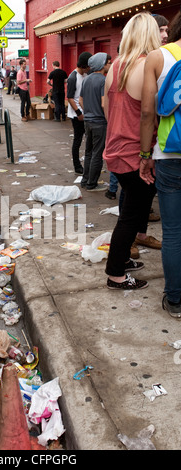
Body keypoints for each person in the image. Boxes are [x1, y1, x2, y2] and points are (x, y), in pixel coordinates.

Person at [103, 12, 162, 290]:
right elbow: (148, 114)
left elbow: (107, 111)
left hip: (115, 150)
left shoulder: (115, 66)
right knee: (130, 216)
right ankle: (116, 273)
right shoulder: (145, 67)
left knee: (129, 210)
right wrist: (144, 155)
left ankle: (123, 260)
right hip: (135, 155)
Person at [140, 10, 181, 315]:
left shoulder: (159, 56)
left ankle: (176, 299)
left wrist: (144, 155)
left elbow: (147, 113)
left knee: (173, 231)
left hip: (169, 153)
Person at [79, 53, 111, 191]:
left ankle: (85, 180)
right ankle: (92, 183)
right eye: (108, 62)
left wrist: (89, 111)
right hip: (99, 122)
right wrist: (109, 120)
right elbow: (104, 104)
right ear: (102, 64)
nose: (110, 65)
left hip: (88, 120)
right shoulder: (103, 80)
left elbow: (80, 100)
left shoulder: (86, 79)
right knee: (97, 154)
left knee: (88, 152)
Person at [67, 52, 92, 175]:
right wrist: (78, 113)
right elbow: (70, 97)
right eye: (88, 66)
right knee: (77, 140)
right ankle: (77, 166)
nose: (89, 69)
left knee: (87, 139)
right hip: (76, 114)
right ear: (83, 66)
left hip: (84, 112)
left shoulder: (85, 75)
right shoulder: (73, 77)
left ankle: (87, 164)